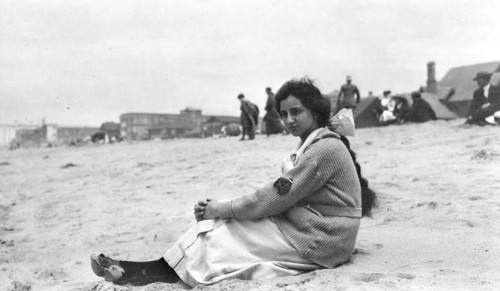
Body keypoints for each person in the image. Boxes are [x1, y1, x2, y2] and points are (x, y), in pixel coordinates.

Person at [90, 77, 377, 287]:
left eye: (296, 112)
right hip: (316, 227)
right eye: (284, 114)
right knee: (221, 229)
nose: (289, 120)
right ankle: (138, 271)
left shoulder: (324, 149)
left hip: (322, 239)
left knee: (222, 237)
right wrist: (222, 210)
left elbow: (275, 197)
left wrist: (221, 207)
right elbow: (282, 192)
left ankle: (137, 275)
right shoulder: (317, 144)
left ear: (315, 112)